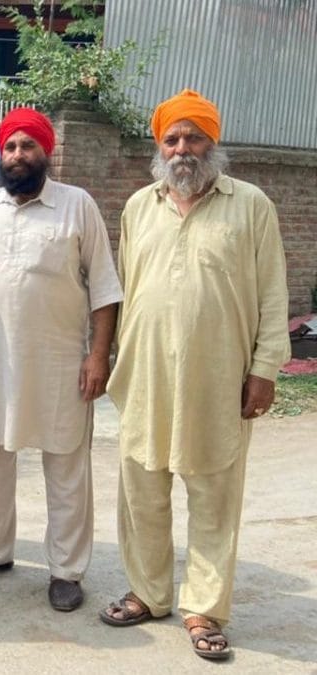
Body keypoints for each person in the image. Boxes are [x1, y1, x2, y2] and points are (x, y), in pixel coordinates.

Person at [101, 89, 290, 661]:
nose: (182, 148)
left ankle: (204, 607)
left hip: (218, 376)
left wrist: (264, 369)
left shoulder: (251, 204)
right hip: (146, 374)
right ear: (159, 147)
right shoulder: (139, 206)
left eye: (194, 137)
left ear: (214, 142)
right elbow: (129, 288)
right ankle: (149, 592)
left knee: (214, 494)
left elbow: (273, 294)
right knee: (142, 490)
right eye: (172, 139)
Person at [0, 108, 123, 613]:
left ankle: (66, 570)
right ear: (0, 154)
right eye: (10, 147)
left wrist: (98, 356)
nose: (18, 155)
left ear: (47, 151)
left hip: (60, 363)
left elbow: (105, 288)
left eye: (28, 146)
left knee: (65, 464)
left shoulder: (76, 205)